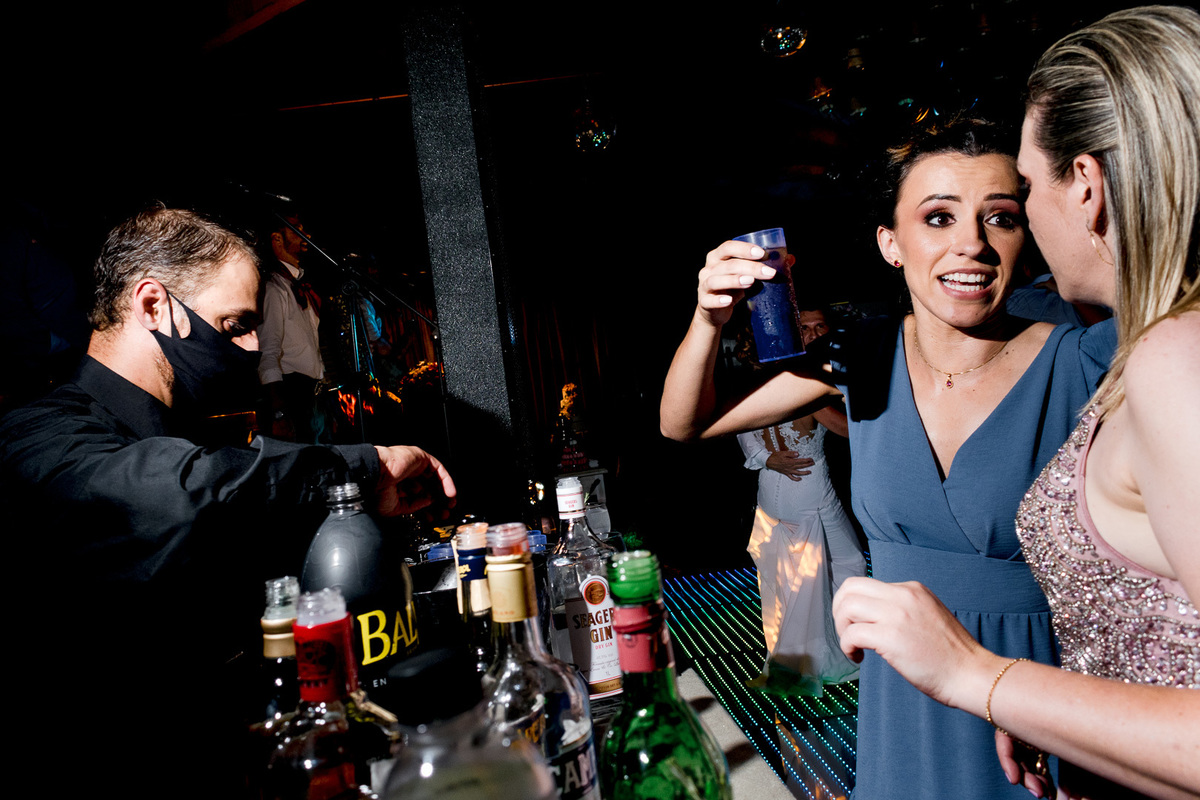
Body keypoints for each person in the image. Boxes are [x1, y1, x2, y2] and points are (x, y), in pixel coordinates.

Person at [660, 116, 1117, 799]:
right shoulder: (860, 355)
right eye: (938, 217)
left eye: (1001, 217)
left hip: (1035, 692)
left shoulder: (1082, 360)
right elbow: (685, 422)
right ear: (891, 243)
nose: (972, 243)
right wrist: (708, 318)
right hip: (901, 698)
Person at [832, 7, 1199, 799]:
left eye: (1021, 193)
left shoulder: (1171, 356)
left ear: (1088, 189)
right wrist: (1068, 723)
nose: (1012, 222)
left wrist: (980, 675)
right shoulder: (1155, 347)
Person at [0, 206, 456, 793]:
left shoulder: (201, 441)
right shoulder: (40, 433)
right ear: (152, 304)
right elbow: (172, 497)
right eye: (234, 323)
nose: (251, 345)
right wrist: (364, 465)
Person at [737, 306, 865, 696]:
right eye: (804, 328)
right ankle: (830, 655)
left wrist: (765, 458)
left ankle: (818, 652)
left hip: (776, 487)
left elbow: (743, 424)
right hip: (805, 488)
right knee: (839, 564)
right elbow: (847, 430)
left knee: (792, 574)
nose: (811, 334)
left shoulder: (767, 375)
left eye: (817, 327)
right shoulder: (806, 384)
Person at [258, 211, 328, 442]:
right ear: (277, 239)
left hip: (312, 392)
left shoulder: (298, 285)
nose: (305, 234)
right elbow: (268, 351)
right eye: (296, 229)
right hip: (291, 391)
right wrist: (280, 410)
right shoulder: (274, 288)